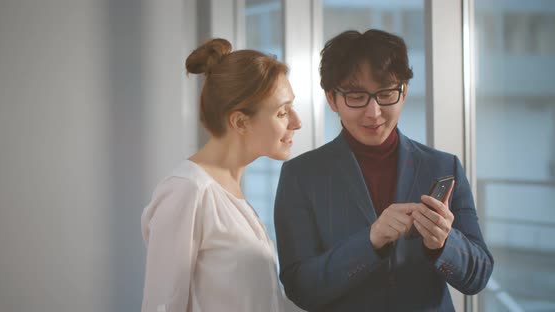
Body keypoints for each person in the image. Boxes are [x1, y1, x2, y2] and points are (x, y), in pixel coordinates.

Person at [274, 29, 494, 311]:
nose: (374, 112)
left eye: (386, 94)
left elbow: (479, 276)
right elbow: (300, 287)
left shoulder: (443, 166)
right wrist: (370, 241)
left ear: (403, 92)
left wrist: (443, 242)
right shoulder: (300, 176)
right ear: (332, 99)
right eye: (356, 97)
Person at [140, 38, 303, 312]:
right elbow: (162, 305)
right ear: (240, 122)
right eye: (283, 112)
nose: (297, 122)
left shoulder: (233, 194)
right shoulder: (187, 191)